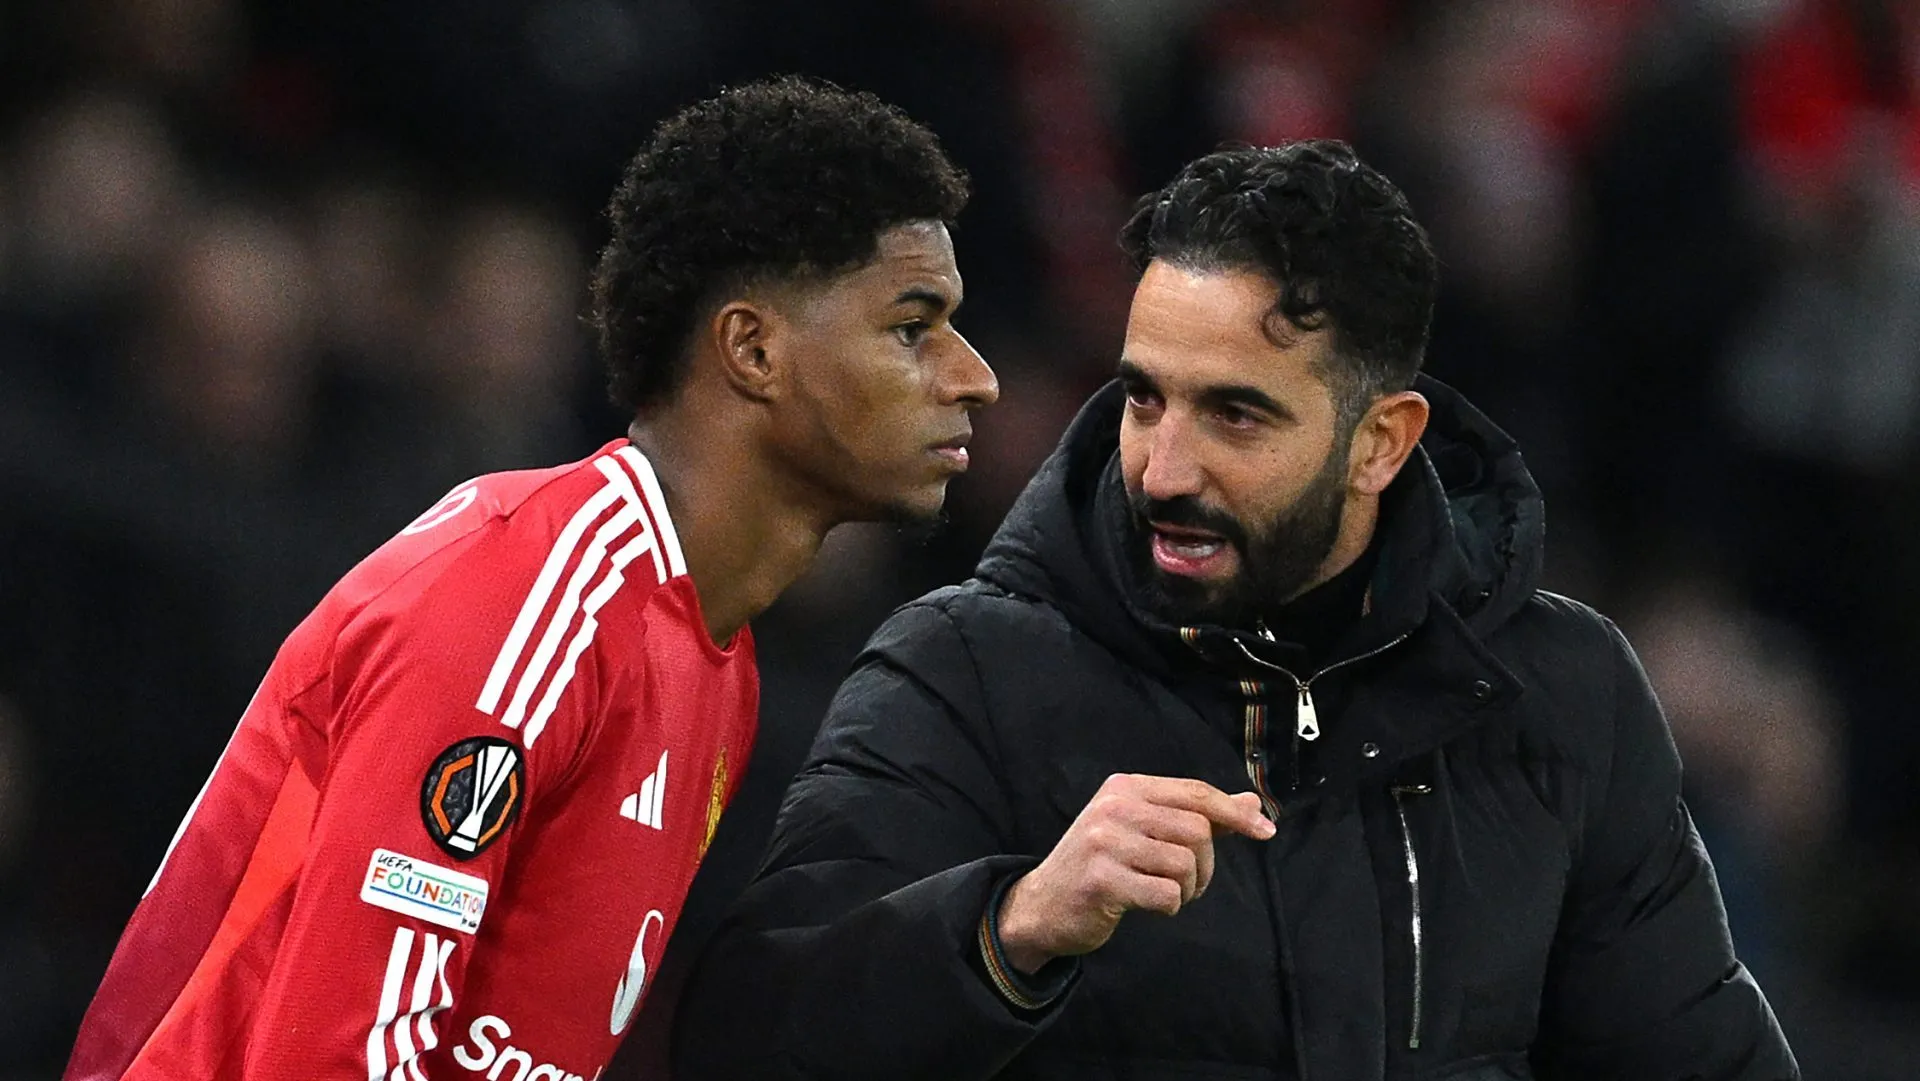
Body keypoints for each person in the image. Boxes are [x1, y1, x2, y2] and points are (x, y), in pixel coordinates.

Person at [673, 140, 1799, 1081]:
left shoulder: (1561, 693)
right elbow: (749, 1044)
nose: (1164, 469)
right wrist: (1008, 931)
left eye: (1236, 416)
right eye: (1143, 398)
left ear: (1381, 443)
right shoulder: (961, 673)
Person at [63, 75, 996, 1081]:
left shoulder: (717, 667)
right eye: (913, 326)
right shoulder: (529, 594)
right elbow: (339, 1059)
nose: (974, 375)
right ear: (753, 348)